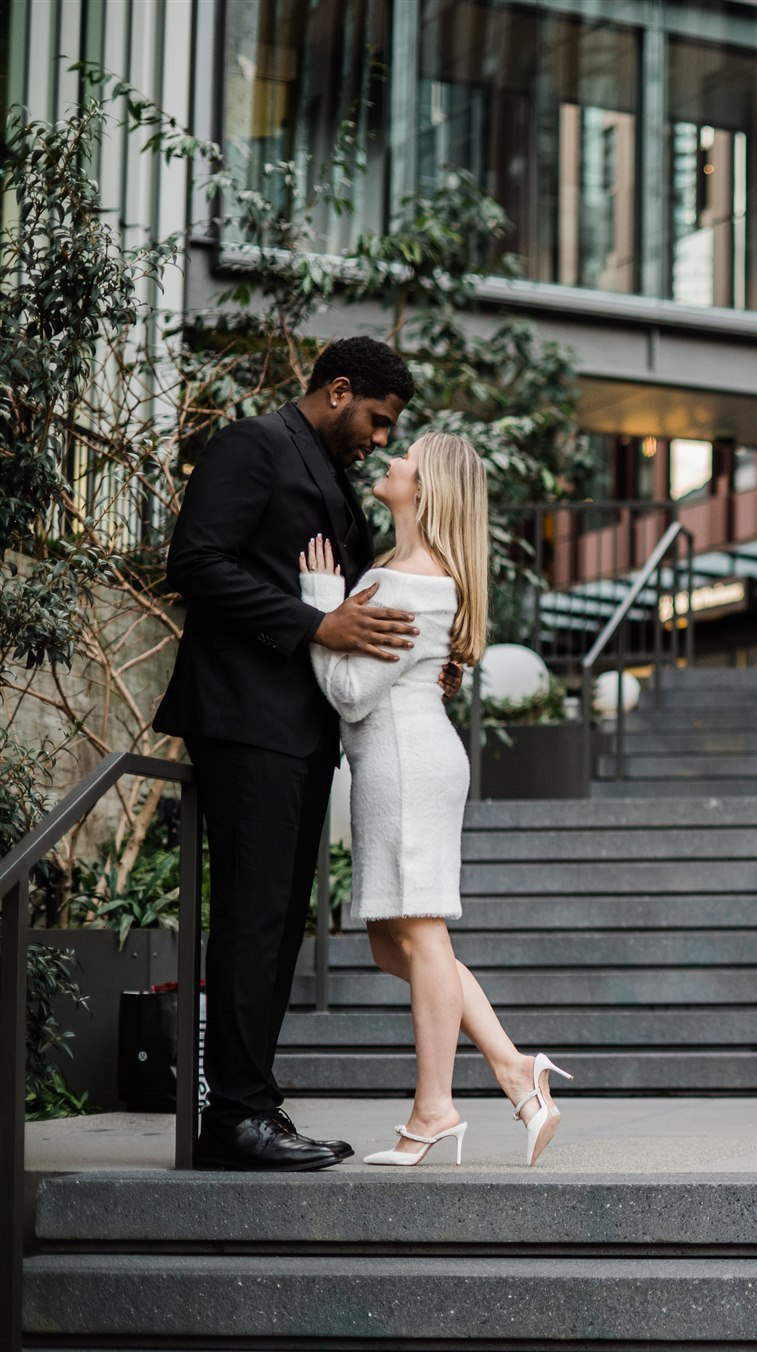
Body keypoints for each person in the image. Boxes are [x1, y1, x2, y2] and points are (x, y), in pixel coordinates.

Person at [155, 336, 458, 1173]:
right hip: (244, 721)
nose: (379, 438)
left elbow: (365, 607)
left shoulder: (332, 479)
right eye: (376, 419)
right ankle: (234, 1120)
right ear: (338, 390)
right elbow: (195, 562)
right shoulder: (255, 444)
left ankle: (253, 1102)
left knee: (281, 920)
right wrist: (313, 623)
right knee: (254, 917)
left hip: (303, 733)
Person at [298, 431, 570, 1168]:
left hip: (402, 760)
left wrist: (319, 605)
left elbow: (350, 693)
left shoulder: (409, 581)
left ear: (427, 488)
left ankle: (433, 1109)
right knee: (400, 942)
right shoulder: (403, 569)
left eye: (406, 457)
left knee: (418, 940)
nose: (390, 461)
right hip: (409, 757)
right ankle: (516, 1071)